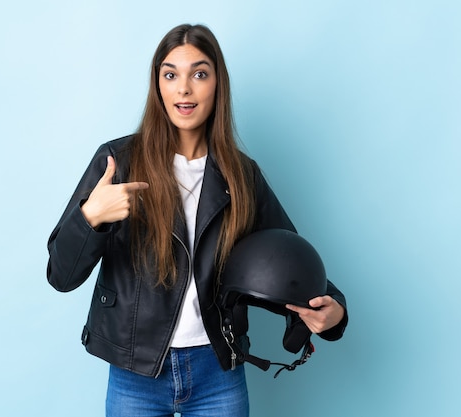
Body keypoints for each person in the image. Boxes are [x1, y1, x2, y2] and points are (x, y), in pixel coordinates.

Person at [47, 23, 348, 417]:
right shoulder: (117, 162)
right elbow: (60, 275)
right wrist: (92, 219)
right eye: (171, 74)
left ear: (217, 85)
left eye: (199, 74)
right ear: (158, 86)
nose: (184, 88)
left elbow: (283, 260)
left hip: (217, 371)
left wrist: (335, 311)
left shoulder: (242, 175)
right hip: (135, 372)